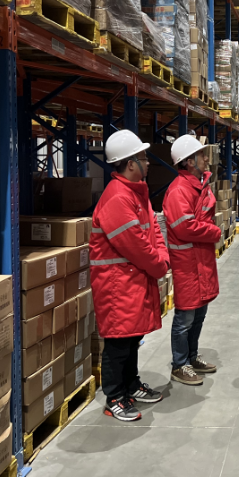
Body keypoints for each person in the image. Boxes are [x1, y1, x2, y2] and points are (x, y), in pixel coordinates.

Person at [90, 129, 170, 422]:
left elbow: (154, 230)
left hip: (133, 280)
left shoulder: (137, 192)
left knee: (132, 337)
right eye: (143, 158)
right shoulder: (117, 198)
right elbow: (135, 245)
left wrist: (161, 257)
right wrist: (159, 264)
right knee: (118, 342)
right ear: (130, 163)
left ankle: (131, 385)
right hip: (117, 284)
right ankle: (114, 397)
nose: (148, 163)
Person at [163, 135, 223, 386]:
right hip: (187, 262)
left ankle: (191, 356)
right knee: (185, 317)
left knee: (199, 313)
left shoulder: (199, 186)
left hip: (202, 260)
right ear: (188, 162)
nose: (206, 159)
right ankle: (180, 365)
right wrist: (214, 232)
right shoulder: (179, 190)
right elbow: (185, 227)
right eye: (201, 155)